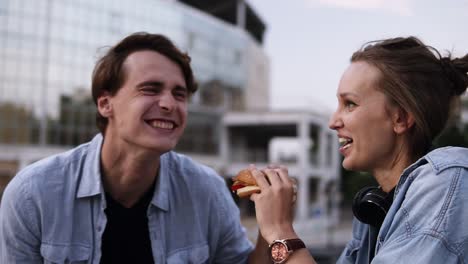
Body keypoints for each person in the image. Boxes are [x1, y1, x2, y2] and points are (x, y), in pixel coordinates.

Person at [0, 32, 270, 263]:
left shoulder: (207, 191)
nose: (169, 104)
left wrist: (273, 230)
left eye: (179, 94)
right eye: (151, 89)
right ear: (106, 104)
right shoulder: (33, 194)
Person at [249, 36, 468, 263]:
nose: (333, 121)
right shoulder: (371, 214)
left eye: (350, 104)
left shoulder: (446, 183)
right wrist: (269, 226)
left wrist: (280, 231)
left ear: (400, 118)